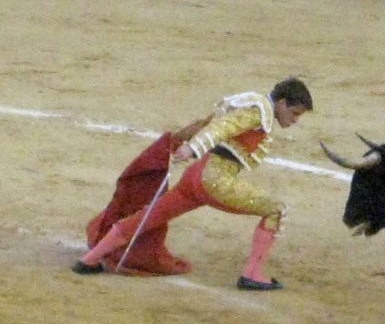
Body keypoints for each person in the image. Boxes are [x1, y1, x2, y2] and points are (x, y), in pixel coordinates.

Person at [72, 77, 313, 290]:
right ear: (281, 103)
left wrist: (185, 141)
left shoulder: (249, 102)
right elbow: (221, 128)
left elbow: (210, 121)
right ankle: (252, 275)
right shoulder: (256, 113)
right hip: (215, 179)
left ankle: (89, 260)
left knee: (152, 214)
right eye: (295, 113)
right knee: (276, 210)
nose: (295, 120)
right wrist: (192, 148)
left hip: (196, 176)